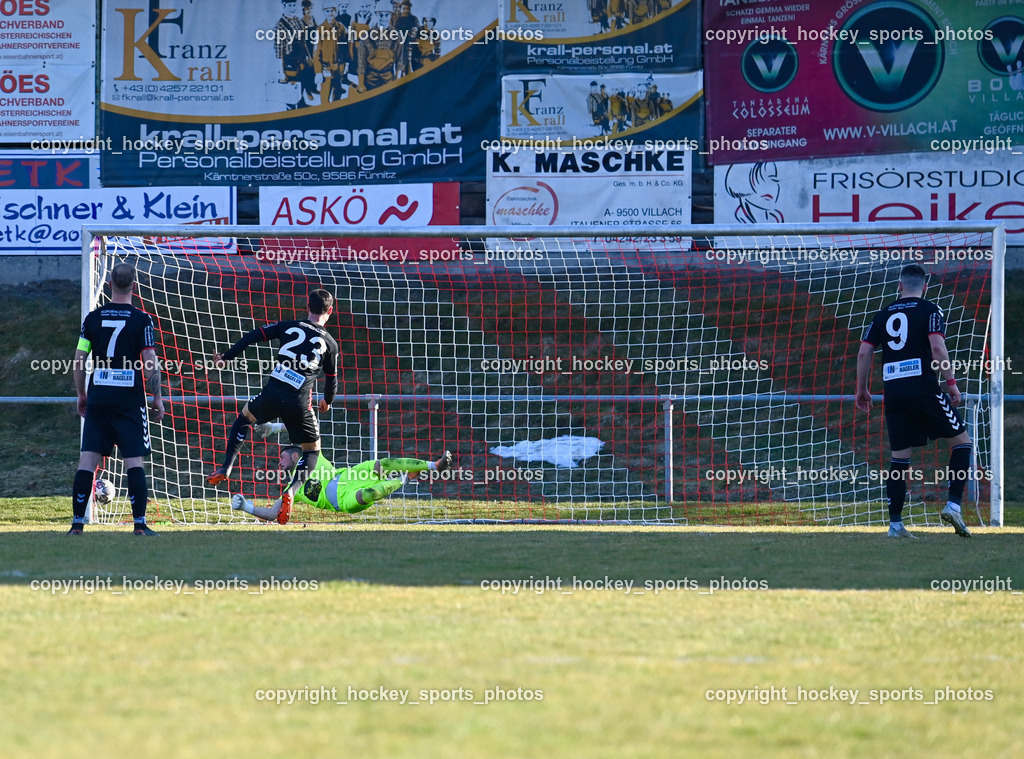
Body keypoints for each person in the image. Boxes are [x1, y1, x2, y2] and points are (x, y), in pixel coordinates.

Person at [856, 263, 973, 539]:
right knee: (963, 442)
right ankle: (954, 505)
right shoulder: (931, 309)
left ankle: (895, 525)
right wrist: (952, 382)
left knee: (900, 458)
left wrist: (862, 389)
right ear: (925, 287)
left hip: (893, 393)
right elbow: (936, 346)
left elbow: (864, 352)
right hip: (923, 388)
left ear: (899, 286)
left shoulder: (883, 314)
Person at [207, 289, 340, 501]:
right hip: (299, 402)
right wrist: (328, 400)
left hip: (273, 393)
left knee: (243, 419)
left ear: (307, 306)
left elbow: (252, 336)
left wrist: (226, 357)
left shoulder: (287, 326)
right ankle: (291, 492)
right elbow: (332, 378)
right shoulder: (330, 344)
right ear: (330, 311)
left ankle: (226, 466)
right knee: (312, 451)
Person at [70, 263, 164, 535]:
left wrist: (82, 393)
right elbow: (149, 361)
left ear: (110, 285)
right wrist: (156, 396)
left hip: (98, 395)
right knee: (134, 460)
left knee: (88, 459)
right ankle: (139, 525)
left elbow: (79, 358)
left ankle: (77, 524)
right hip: (128, 399)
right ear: (134, 285)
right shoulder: (141, 319)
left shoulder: (92, 318)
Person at [232, 427, 452, 523]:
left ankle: (434, 465)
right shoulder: (292, 489)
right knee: (369, 494)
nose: (278, 463)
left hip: (351, 474)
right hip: (344, 499)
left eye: (282, 457)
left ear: (293, 454)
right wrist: (246, 507)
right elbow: (272, 514)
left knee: (383, 463)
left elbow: (306, 428)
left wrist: (276, 427)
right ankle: (406, 478)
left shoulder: (312, 454)